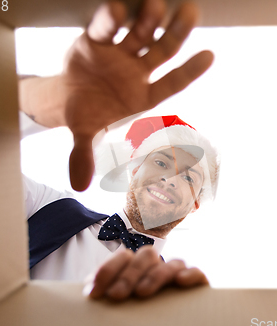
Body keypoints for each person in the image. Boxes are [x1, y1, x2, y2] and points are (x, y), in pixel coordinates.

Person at [19, 0, 217, 301]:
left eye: (189, 178)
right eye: (161, 163)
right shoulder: (44, 207)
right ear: (134, 169)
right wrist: (46, 100)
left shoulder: (172, 294)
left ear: (196, 204)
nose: (170, 179)